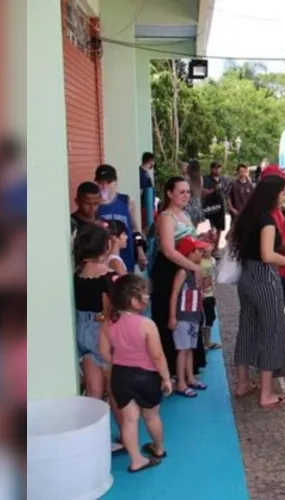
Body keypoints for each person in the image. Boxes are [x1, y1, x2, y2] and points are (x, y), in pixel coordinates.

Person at [229, 175, 285, 409]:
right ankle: (267, 394)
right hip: (264, 279)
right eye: (282, 192)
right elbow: (267, 254)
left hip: (246, 278)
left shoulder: (249, 216)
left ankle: (242, 383)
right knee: (271, 331)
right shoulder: (266, 220)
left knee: (247, 328)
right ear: (273, 194)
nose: (284, 197)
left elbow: (270, 245)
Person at [101, 274, 172, 473]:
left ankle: (136, 460)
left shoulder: (108, 324)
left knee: (129, 420)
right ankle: (158, 448)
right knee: (151, 417)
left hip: (120, 376)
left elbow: (104, 352)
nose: (148, 297)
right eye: (145, 294)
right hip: (146, 377)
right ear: (134, 301)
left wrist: (120, 359)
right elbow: (157, 355)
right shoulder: (146, 324)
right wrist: (166, 378)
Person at [149, 177, 210, 378]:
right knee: (171, 316)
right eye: (181, 192)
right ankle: (172, 370)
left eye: (187, 192)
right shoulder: (166, 217)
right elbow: (168, 250)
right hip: (168, 271)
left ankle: (188, 369)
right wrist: (194, 266)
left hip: (185, 270)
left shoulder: (184, 214)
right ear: (169, 193)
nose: (186, 196)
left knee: (188, 318)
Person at [72, 224, 125, 452]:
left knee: (94, 392)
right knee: (115, 390)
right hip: (100, 331)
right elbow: (112, 310)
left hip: (81, 330)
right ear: (105, 246)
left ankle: (95, 441)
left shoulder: (76, 273)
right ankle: (126, 436)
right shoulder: (108, 276)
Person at [169, 236, 211, 398]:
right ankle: (181, 382)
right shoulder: (182, 272)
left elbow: (198, 292)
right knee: (183, 349)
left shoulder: (195, 272)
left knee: (190, 348)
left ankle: (190, 377)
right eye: (198, 251)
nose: (202, 253)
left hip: (193, 316)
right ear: (189, 253)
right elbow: (174, 294)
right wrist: (173, 317)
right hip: (183, 317)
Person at [95, 164, 147, 273]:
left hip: (126, 256)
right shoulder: (94, 206)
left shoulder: (126, 201)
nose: (104, 187)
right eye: (101, 183)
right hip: (105, 260)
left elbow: (135, 229)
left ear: (115, 182)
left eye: (108, 183)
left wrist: (140, 251)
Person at [203, 161, 229, 255]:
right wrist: (214, 189)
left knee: (220, 228)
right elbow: (204, 192)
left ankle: (216, 249)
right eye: (215, 168)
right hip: (210, 206)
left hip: (221, 206)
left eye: (219, 167)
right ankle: (208, 250)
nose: (217, 169)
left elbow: (227, 192)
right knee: (211, 229)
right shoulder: (206, 178)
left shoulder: (223, 179)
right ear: (211, 169)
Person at [200, 250, 222, 350]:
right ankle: (204, 342)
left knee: (210, 317)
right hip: (204, 295)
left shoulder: (211, 260)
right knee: (205, 318)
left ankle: (206, 341)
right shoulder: (201, 263)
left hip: (210, 294)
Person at [184, 159, 205, 227]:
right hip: (198, 203)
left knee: (188, 227)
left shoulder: (187, 178)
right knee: (194, 228)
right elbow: (201, 191)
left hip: (189, 203)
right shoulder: (200, 178)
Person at [139, 152, 156, 230]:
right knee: (146, 228)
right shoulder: (141, 173)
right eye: (153, 161)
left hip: (149, 205)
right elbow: (141, 190)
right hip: (145, 206)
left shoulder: (145, 173)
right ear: (150, 161)